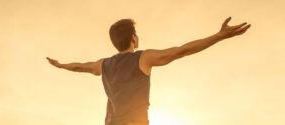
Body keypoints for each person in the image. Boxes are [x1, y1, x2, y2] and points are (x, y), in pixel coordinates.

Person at [46, 17, 251, 125]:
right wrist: (219, 36)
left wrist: (61, 65)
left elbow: (80, 66)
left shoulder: (103, 64)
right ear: (134, 38)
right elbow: (183, 50)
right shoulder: (143, 58)